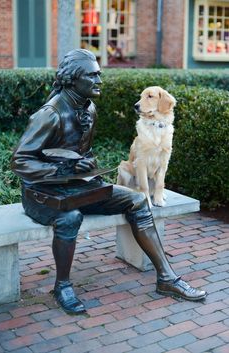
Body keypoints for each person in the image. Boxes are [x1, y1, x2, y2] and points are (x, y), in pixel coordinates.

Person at [11, 49, 206, 315]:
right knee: (70, 218)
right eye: (92, 76)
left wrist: (87, 165)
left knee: (137, 200)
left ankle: (167, 278)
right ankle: (62, 286)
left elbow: (81, 154)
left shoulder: (89, 108)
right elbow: (20, 162)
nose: (99, 80)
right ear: (73, 79)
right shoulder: (50, 114)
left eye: (99, 74)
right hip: (41, 193)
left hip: (77, 186)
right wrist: (62, 167)